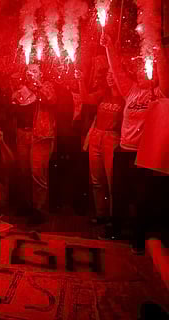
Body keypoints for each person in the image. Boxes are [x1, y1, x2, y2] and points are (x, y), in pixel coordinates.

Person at [100, 32, 168, 254]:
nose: (140, 71)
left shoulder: (158, 93)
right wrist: (110, 46)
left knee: (142, 200)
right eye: (138, 69)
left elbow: (166, 82)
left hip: (144, 155)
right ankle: (116, 230)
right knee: (120, 194)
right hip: (124, 150)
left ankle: (138, 240)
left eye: (143, 68)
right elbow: (118, 72)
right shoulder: (131, 92)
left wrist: (158, 53)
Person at [76, 69, 124, 225]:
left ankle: (113, 218)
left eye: (113, 73)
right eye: (108, 74)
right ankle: (101, 215)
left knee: (112, 181)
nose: (110, 77)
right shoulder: (103, 93)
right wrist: (81, 80)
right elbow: (85, 99)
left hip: (112, 138)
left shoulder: (125, 96)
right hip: (96, 136)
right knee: (96, 180)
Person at [11, 64, 57, 223]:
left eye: (35, 71)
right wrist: (16, 96)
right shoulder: (22, 89)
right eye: (28, 71)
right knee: (24, 171)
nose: (30, 73)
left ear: (41, 74)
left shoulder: (46, 86)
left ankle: (39, 211)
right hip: (23, 135)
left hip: (40, 136)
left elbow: (51, 100)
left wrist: (38, 85)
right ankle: (27, 206)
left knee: (38, 173)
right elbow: (16, 108)